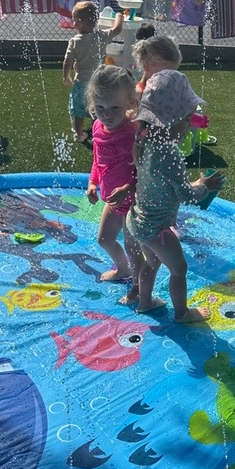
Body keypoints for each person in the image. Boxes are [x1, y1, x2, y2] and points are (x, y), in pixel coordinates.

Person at [126, 69, 224, 322]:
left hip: (137, 220)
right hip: (156, 227)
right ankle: (182, 313)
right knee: (180, 269)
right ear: (172, 119)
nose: (190, 124)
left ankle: (145, 303)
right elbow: (187, 196)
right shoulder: (170, 155)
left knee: (151, 263)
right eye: (188, 118)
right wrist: (205, 186)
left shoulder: (145, 139)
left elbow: (164, 185)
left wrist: (194, 183)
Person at [86, 65, 144, 304]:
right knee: (104, 240)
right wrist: (92, 182)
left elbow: (145, 171)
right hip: (113, 199)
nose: (106, 115)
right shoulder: (97, 127)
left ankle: (139, 288)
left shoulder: (132, 133)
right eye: (100, 107)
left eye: (115, 108)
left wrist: (128, 188)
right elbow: (97, 159)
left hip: (133, 203)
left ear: (130, 103)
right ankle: (123, 269)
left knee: (133, 249)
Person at [63, 1, 123, 143]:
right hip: (98, 83)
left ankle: (79, 135)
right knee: (97, 109)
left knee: (78, 110)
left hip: (80, 83)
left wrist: (66, 76)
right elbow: (117, 29)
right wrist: (119, 16)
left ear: (80, 22)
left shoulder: (74, 41)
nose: (73, 23)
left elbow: (67, 61)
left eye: (74, 20)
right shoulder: (101, 36)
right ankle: (97, 132)